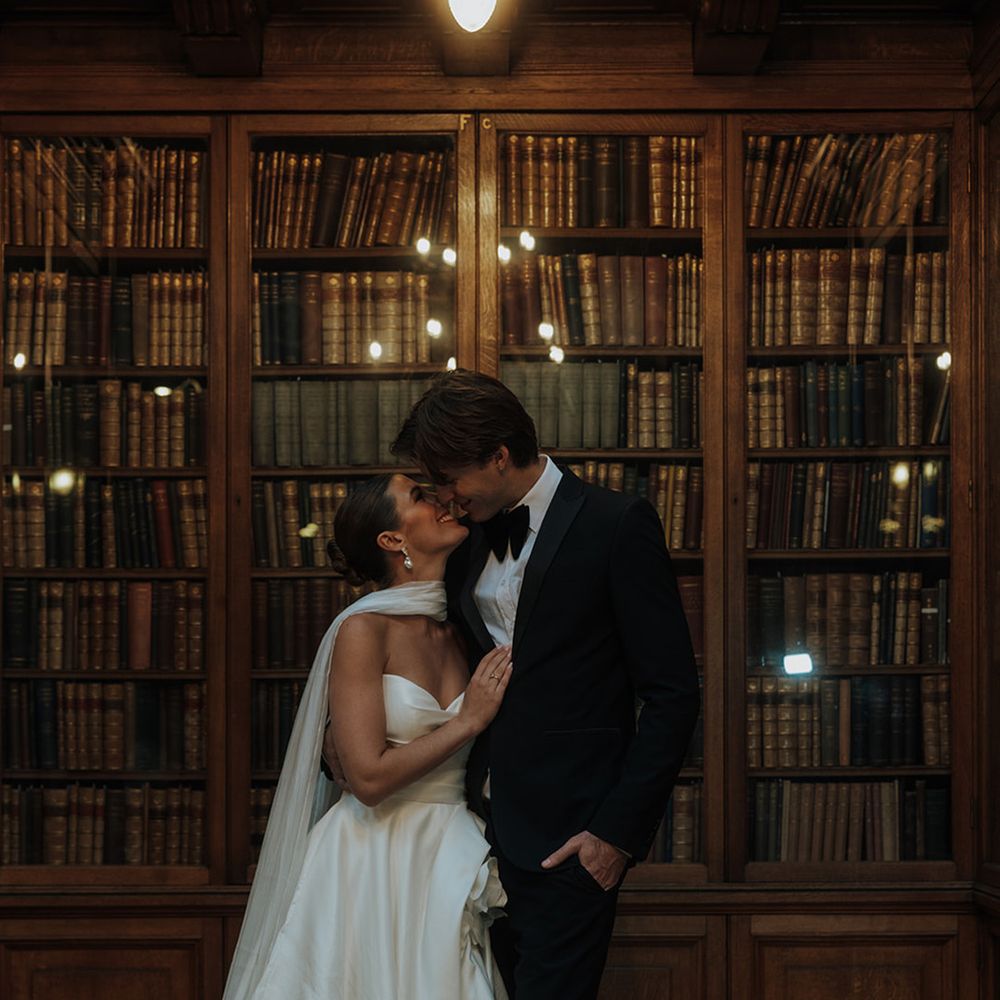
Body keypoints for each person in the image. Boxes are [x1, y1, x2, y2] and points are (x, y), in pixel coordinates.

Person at [387, 368, 701, 1000]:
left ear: (500, 457)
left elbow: (673, 694)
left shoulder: (616, 524)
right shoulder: (465, 542)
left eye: (451, 481)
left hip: (569, 846)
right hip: (468, 841)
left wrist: (614, 837)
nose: (445, 500)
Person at [223, 473, 513, 1000]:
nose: (442, 499)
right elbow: (367, 777)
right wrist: (468, 720)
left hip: (447, 848)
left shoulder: (459, 631)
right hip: (370, 858)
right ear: (392, 540)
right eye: (420, 496)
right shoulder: (363, 630)